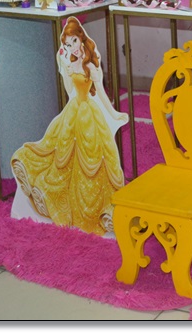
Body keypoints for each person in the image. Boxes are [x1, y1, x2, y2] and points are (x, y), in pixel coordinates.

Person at [11, 17, 128, 236]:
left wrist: (114, 114)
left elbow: (101, 93)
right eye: (67, 44)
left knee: (92, 158)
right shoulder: (71, 63)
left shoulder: (91, 66)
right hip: (73, 110)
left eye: (74, 41)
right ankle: (57, 197)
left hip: (89, 114)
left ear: (81, 38)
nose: (72, 46)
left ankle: (92, 208)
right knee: (61, 152)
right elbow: (69, 91)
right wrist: (64, 69)